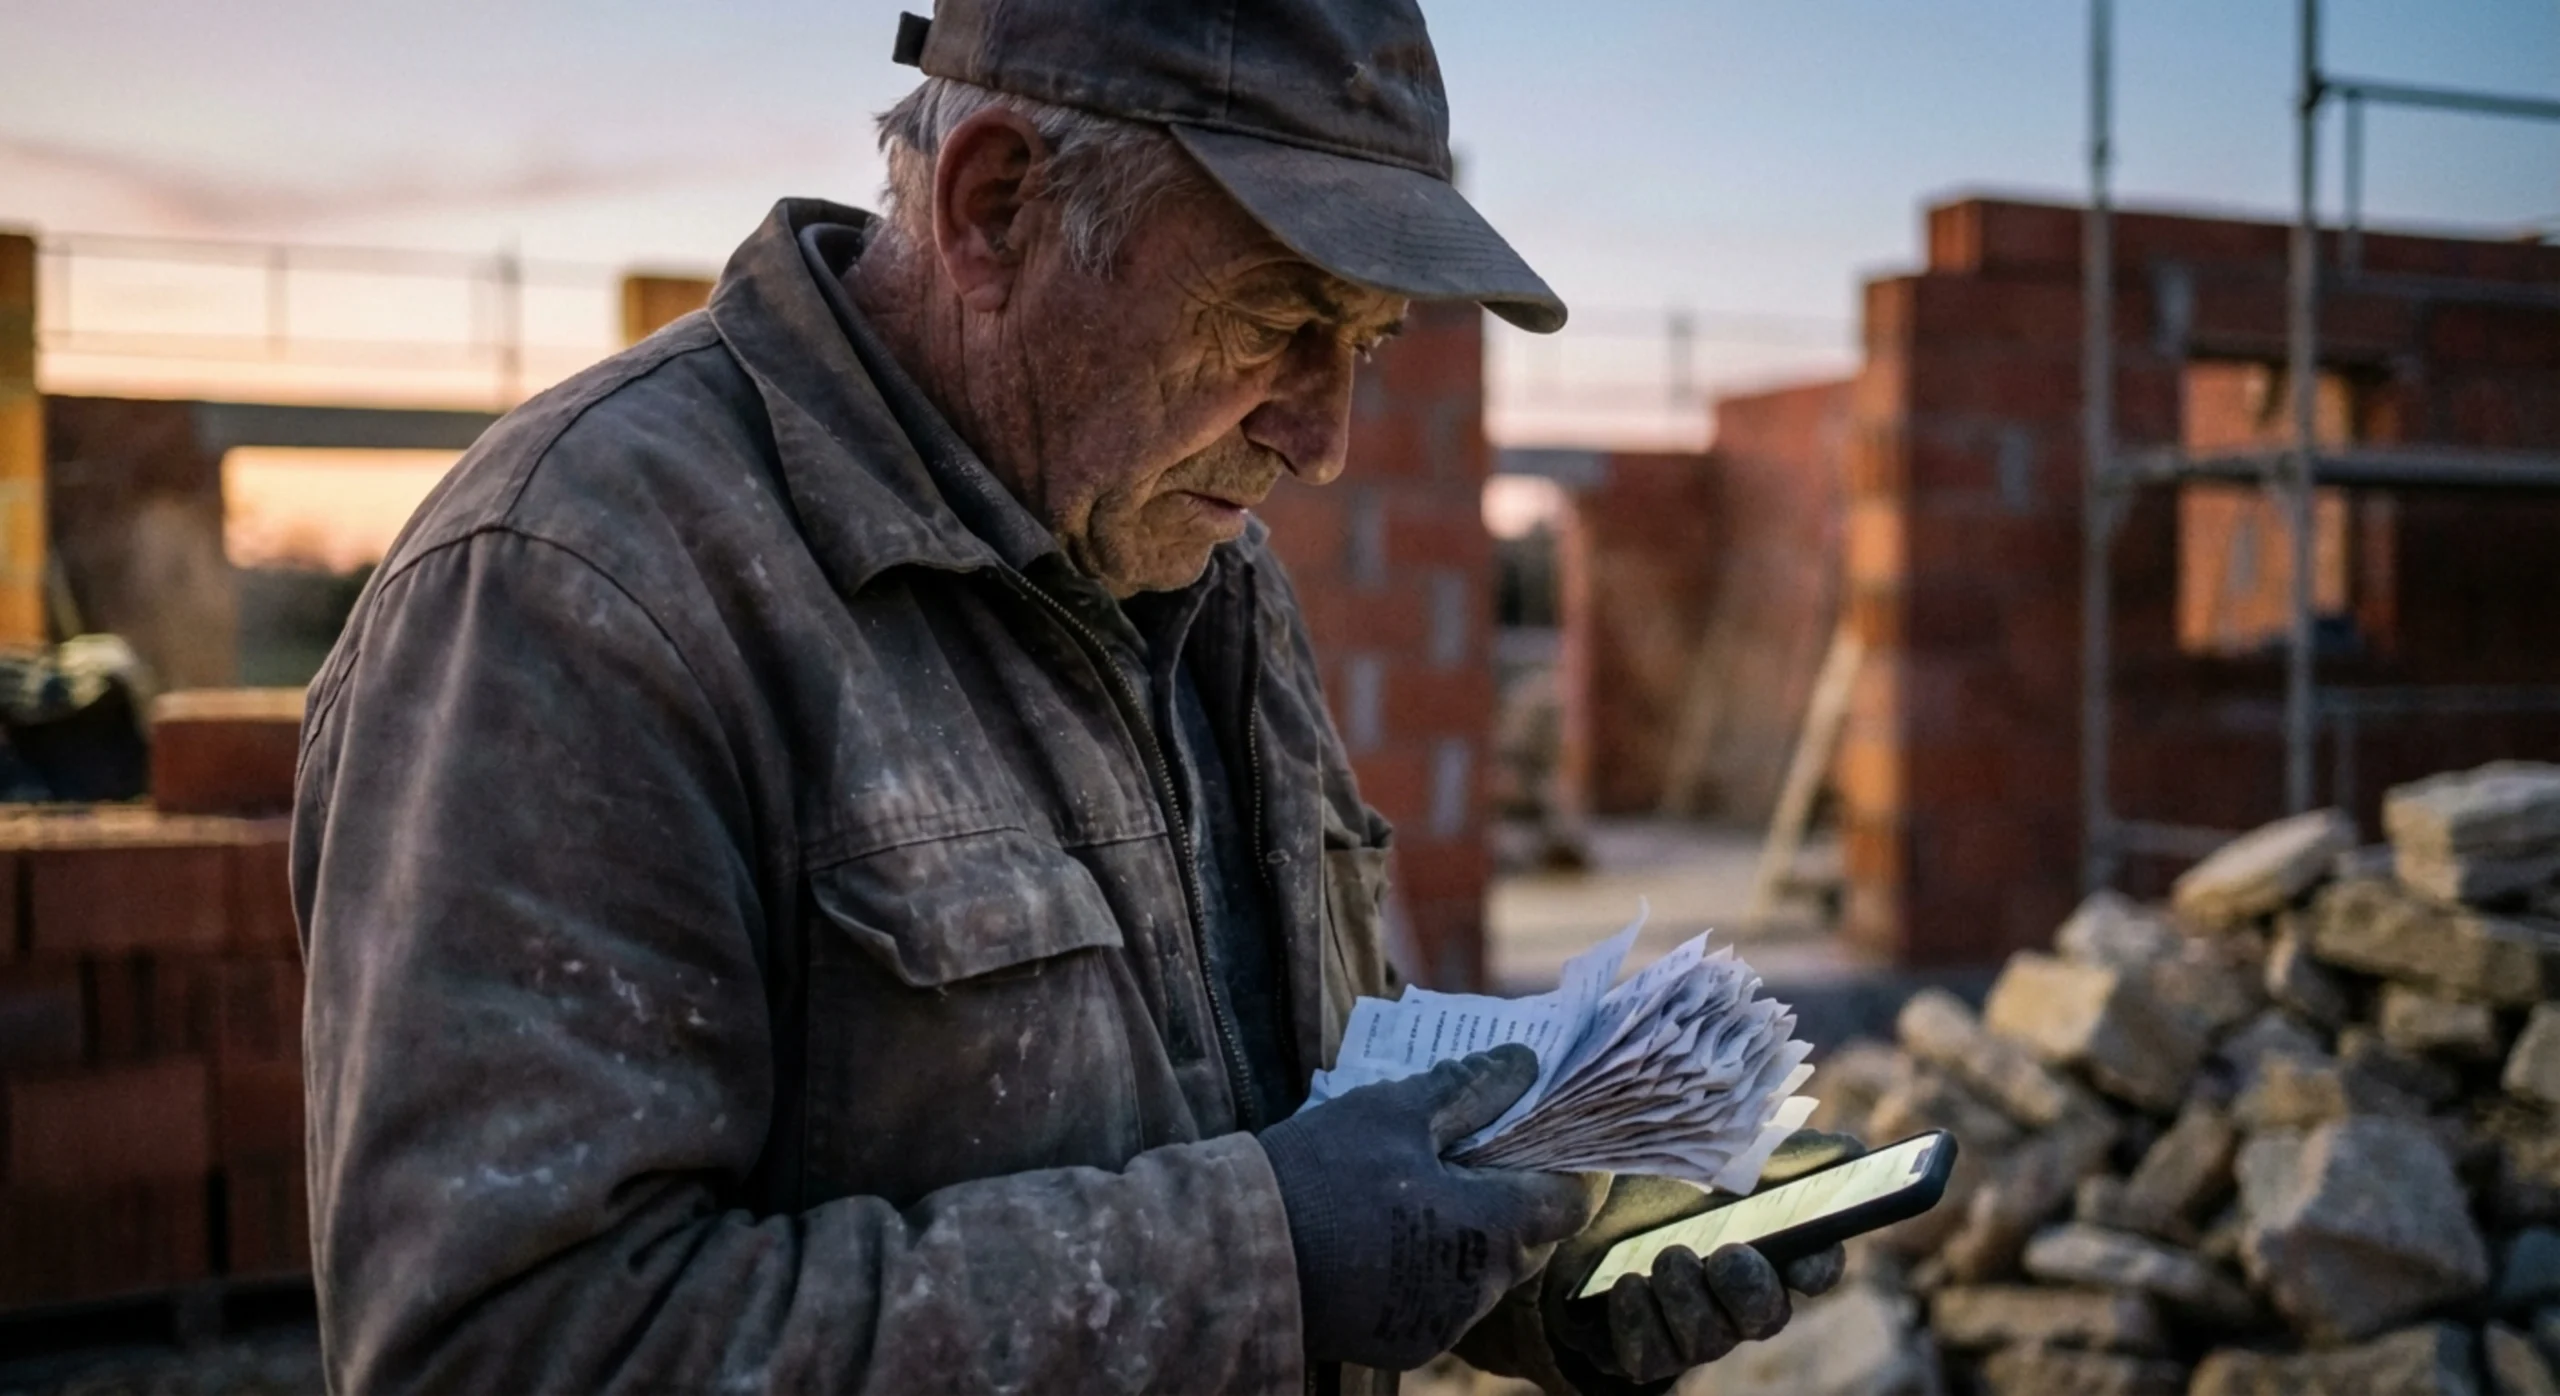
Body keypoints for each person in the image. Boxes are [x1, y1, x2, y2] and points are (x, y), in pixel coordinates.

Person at [293, 1, 1859, 1391]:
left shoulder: (1200, 566)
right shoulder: (583, 588)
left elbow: (1288, 1124)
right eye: (1274, 320)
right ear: (997, 208)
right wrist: (1264, 1259)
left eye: (1368, 342)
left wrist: (1528, 1282)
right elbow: (518, 1345)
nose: (1323, 439)